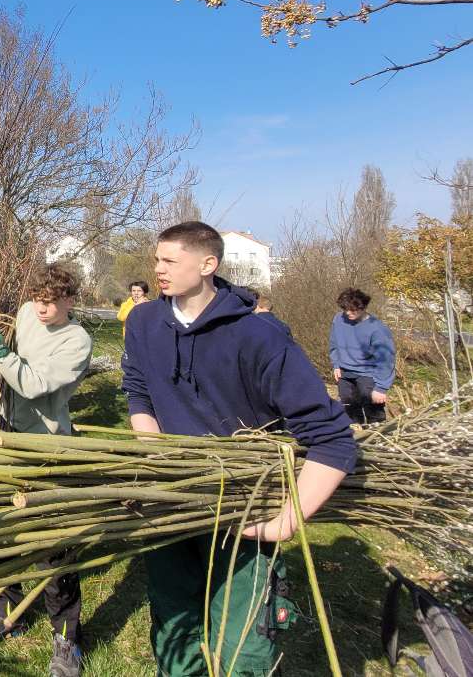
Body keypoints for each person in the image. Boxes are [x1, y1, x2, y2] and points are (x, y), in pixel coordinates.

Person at [121, 222, 357, 677]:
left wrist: (282, 523)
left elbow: (331, 438)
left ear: (208, 264)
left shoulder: (259, 337)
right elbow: (138, 388)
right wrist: (153, 448)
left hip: (241, 506)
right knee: (174, 631)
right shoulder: (144, 321)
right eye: (157, 260)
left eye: (169, 261)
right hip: (168, 502)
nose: (158, 270)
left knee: (244, 647)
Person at [0, 265, 92, 677]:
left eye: (50, 302)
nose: (40, 308)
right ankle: (7, 611)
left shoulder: (77, 341)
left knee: (52, 549)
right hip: (5, 435)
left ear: (69, 300)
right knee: (2, 534)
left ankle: (67, 639)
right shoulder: (29, 314)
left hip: (46, 447)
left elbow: (31, 383)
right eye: (36, 299)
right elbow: (0, 340)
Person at [329, 288, 396, 424]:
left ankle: (379, 440)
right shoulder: (338, 319)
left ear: (363, 307)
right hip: (345, 374)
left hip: (367, 375)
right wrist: (336, 364)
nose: (348, 313)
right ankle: (356, 440)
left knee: (374, 414)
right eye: (345, 309)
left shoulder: (377, 329)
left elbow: (386, 359)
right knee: (349, 412)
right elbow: (334, 343)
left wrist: (381, 388)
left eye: (352, 310)